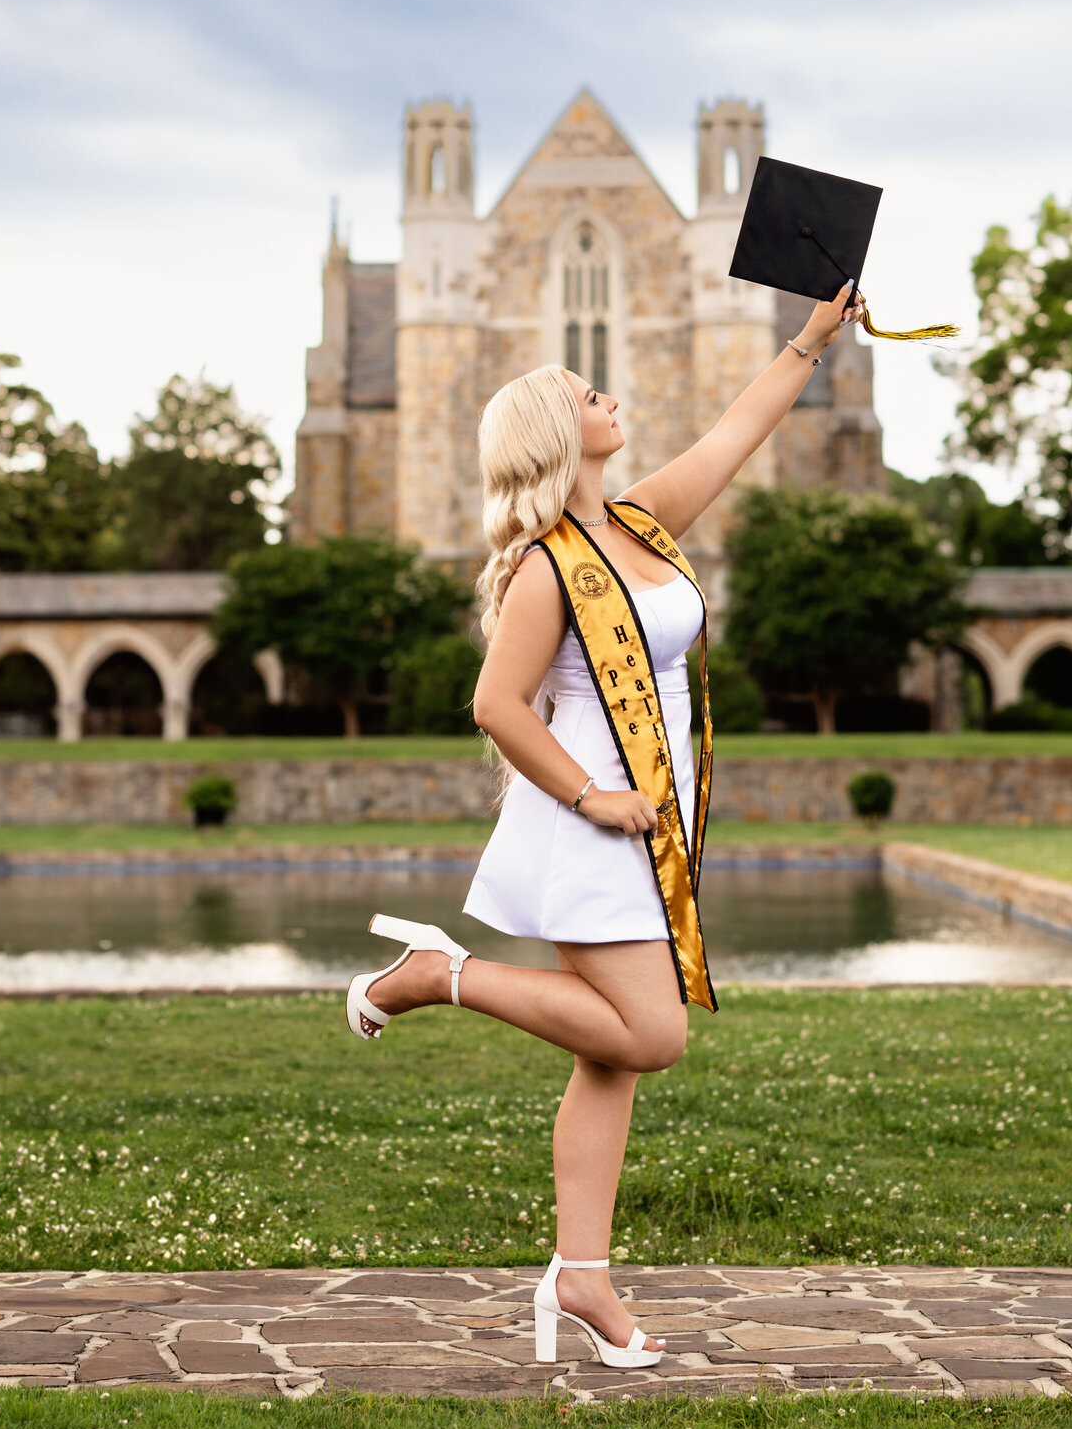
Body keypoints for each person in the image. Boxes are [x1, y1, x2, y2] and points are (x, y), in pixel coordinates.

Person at [345, 280, 862, 1368]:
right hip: (589, 822)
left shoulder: (635, 522)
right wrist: (590, 793)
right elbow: (493, 705)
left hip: (648, 821)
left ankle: (581, 1274)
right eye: (590, 395)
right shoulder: (543, 570)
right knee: (651, 1034)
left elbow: (734, 429)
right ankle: (439, 975)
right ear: (553, 431)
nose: (610, 396)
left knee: (611, 1059)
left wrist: (811, 339)